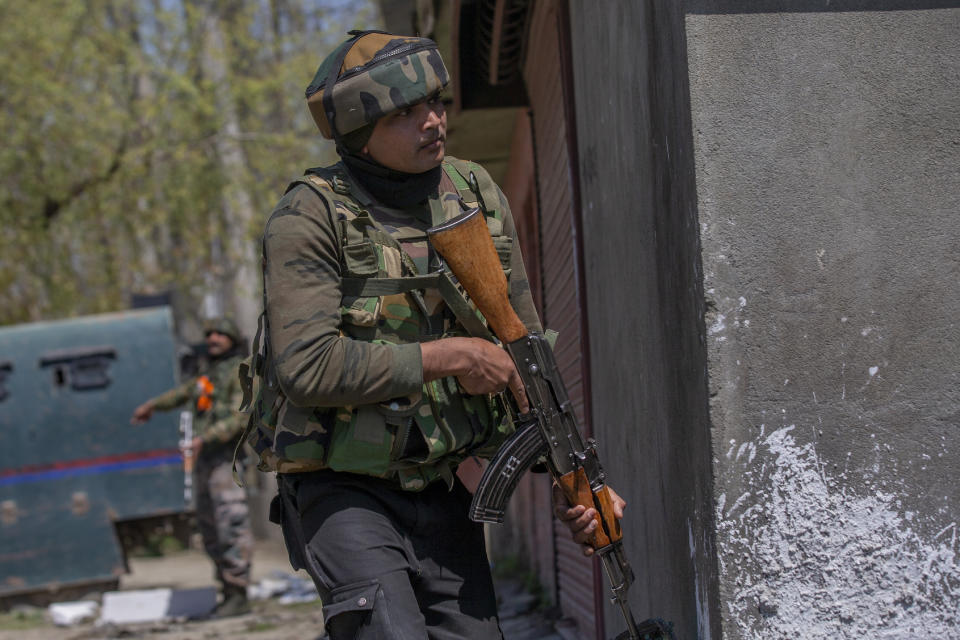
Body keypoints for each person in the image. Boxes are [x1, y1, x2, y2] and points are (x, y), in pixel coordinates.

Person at [240, 31, 623, 639]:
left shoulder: (473, 194)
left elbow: (525, 352)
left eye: (437, 103)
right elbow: (305, 367)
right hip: (340, 491)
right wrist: (451, 355)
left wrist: (576, 477)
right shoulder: (310, 216)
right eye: (406, 112)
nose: (433, 121)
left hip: (444, 484)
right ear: (359, 128)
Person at [131, 317, 254, 618]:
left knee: (230, 524)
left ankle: (239, 592)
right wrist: (152, 406)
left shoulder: (242, 370)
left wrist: (205, 438)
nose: (212, 338)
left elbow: (242, 415)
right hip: (204, 460)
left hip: (227, 459)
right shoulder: (207, 373)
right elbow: (184, 393)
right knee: (210, 526)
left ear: (232, 338)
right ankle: (226, 590)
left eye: (220, 334)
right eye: (209, 333)